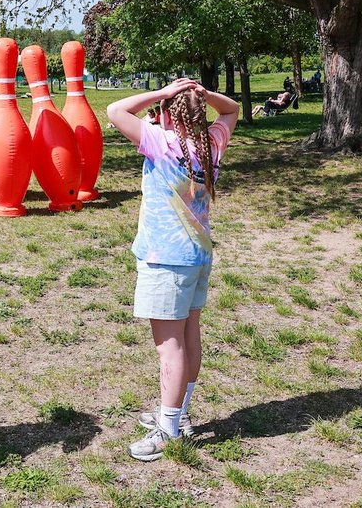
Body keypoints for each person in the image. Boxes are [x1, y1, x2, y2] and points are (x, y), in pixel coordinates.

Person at [106, 78, 238, 461]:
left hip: (165, 261)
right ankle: (176, 413)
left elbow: (116, 111)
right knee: (189, 336)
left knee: (170, 347)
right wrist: (202, 94)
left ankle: (168, 430)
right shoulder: (210, 143)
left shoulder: (159, 142)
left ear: (166, 113)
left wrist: (163, 92)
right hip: (197, 256)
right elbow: (231, 109)